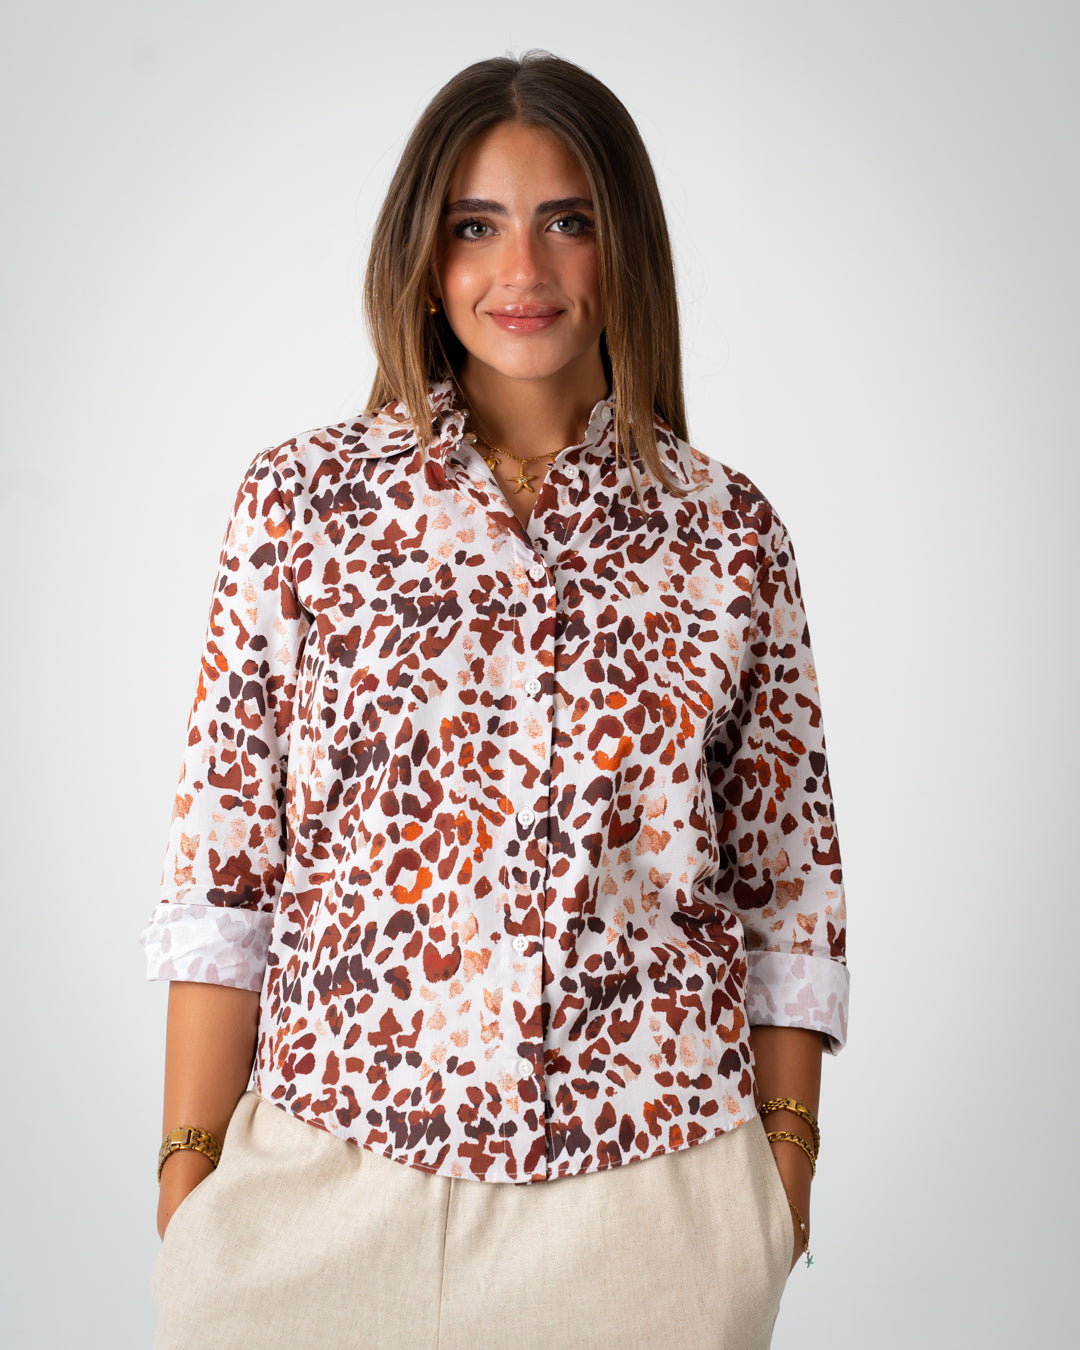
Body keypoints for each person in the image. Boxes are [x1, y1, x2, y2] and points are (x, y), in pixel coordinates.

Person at [141, 49, 849, 1350]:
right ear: (424, 257)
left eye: (566, 221)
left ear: (624, 249)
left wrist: (783, 1170)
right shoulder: (302, 506)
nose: (521, 269)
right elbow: (225, 876)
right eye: (476, 226)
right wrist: (188, 1173)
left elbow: (788, 888)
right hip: (334, 1167)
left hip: (650, 1189)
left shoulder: (728, 533)